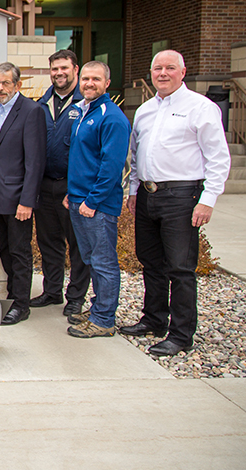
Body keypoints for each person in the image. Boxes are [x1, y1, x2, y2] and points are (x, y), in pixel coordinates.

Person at [122, 50, 231, 356]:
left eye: (170, 68)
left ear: (183, 72)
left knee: (181, 267)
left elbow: (218, 157)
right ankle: (154, 319)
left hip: (182, 196)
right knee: (151, 261)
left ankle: (181, 334)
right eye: (158, 68)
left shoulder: (200, 108)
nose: (163, 73)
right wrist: (132, 191)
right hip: (146, 193)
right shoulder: (144, 110)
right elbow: (135, 155)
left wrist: (207, 199)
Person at [62, 61, 131, 337]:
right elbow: (83, 160)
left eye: (96, 79)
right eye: (86, 78)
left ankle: (103, 320)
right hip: (79, 200)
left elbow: (111, 167)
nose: (89, 83)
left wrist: (92, 201)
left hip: (97, 205)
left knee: (103, 262)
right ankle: (99, 307)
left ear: (107, 83)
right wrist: (73, 193)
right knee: (91, 259)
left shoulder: (111, 117)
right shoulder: (84, 112)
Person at [0, 62, 46, 325]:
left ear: (17, 85)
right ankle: (13, 297)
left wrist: (27, 201)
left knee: (20, 252)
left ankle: (21, 305)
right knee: (5, 250)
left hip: (18, 199)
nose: (0, 88)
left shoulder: (31, 111)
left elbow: (35, 161)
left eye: (6, 83)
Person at [32, 50, 91, 316]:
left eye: (64, 68)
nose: (59, 73)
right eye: (54, 69)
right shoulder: (43, 104)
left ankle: (76, 296)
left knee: (77, 245)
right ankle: (52, 291)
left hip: (73, 187)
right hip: (45, 185)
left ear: (75, 69)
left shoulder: (85, 103)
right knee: (49, 243)